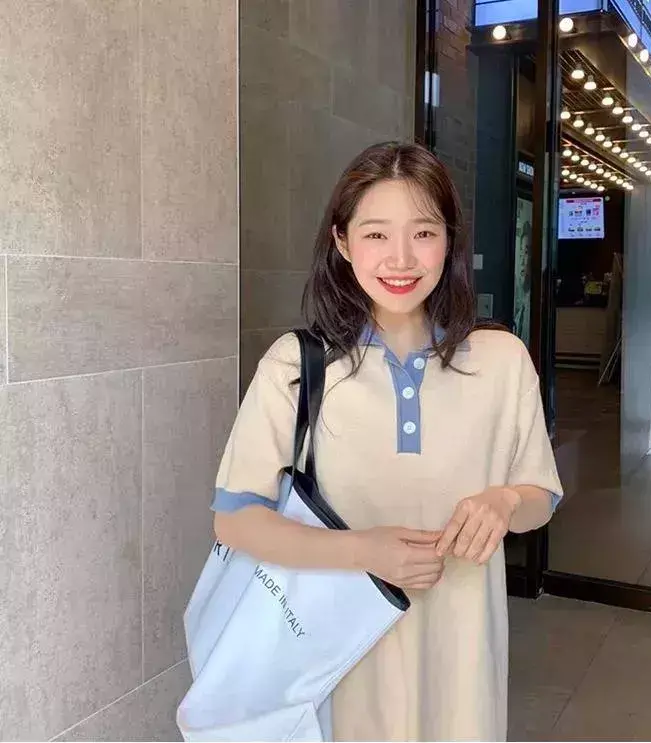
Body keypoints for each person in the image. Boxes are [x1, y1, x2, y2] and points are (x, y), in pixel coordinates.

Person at [211, 142, 563, 742]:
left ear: (448, 241)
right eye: (376, 234)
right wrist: (361, 550)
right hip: (335, 668)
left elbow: (540, 497)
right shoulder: (297, 365)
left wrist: (504, 502)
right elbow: (236, 520)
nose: (401, 258)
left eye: (423, 233)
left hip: (462, 666)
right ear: (342, 242)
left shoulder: (502, 360)